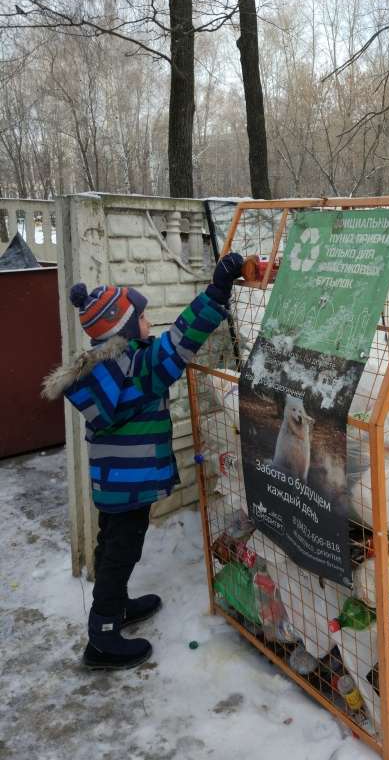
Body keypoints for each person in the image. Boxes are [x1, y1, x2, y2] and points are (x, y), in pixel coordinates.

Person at [43, 253, 244, 670]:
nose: (151, 323)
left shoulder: (107, 368)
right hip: (130, 485)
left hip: (114, 483)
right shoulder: (139, 368)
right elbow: (180, 342)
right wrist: (216, 291)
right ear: (124, 327)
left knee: (112, 545)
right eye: (144, 317)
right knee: (121, 550)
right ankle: (101, 638)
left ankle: (114, 607)